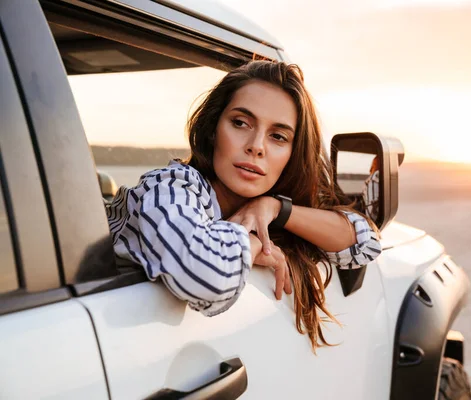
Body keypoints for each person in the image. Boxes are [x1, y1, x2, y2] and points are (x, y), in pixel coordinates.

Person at [106, 60, 381, 350]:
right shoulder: (167, 188)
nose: (256, 146)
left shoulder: (269, 208)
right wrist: (255, 245)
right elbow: (206, 277)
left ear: (292, 154)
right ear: (213, 130)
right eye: (240, 123)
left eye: (278, 136)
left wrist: (276, 209)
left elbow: (367, 244)